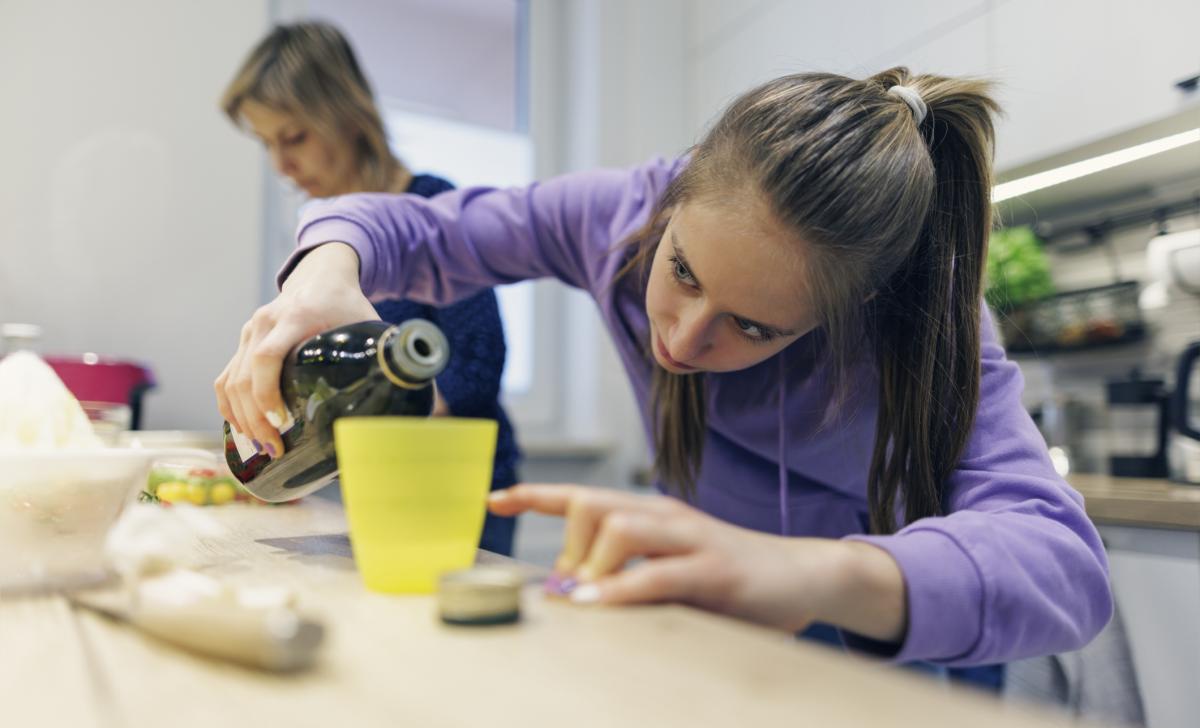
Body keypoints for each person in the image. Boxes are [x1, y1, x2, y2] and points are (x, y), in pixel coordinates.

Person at [215, 68, 1114, 673]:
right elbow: (413, 227)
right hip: (721, 665)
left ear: (846, 317)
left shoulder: (928, 334)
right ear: (674, 203)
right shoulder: (619, 215)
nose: (681, 341)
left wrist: (809, 573)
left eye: (754, 327)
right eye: (680, 271)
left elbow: (1066, 566)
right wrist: (326, 270)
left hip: (896, 698)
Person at [219, 22, 521, 556]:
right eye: (267, 143)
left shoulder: (430, 210)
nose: (281, 165)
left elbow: (475, 369)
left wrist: (355, 422)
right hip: (377, 491)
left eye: (294, 138)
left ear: (347, 115)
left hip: (460, 491)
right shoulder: (316, 248)